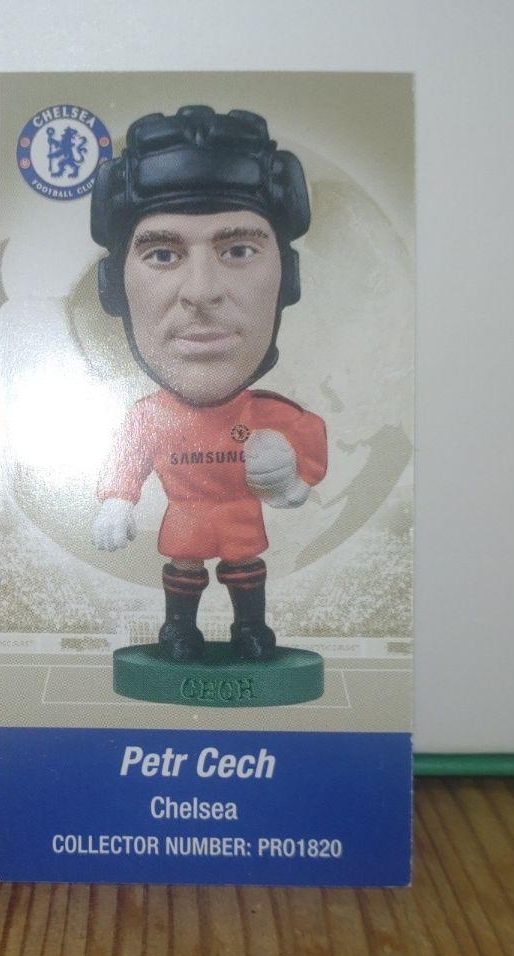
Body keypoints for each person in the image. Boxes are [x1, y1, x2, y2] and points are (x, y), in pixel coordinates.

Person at [90, 106, 326, 663]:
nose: (201, 292)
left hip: (240, 517)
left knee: (244, 569)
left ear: (287, 280)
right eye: (162, 254)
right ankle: (180, 629)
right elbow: (127, 457)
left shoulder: (270, 412)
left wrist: (291, 478)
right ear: (115, 288)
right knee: (184, 568)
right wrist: (117, 500)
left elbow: (307, 443)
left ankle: (250, 627)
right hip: (187, 516)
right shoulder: (148, 418)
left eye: (238, 250)